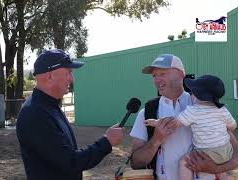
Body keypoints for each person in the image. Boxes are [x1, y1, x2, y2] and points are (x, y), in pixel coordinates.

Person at [16, 49, 124, 180]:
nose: (72, 79)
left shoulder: (49, 106)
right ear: (49, 76)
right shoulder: (35, 114)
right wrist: (107, 141)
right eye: (69, 72)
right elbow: (71, 162)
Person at [129, 54, 238, 180]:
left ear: (181, 74)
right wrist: (156, 140)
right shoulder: (147, 113)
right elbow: (135, 163)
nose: (157, 80)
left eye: (162, 73)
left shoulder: (207, 107)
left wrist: (216, 169)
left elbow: (236, 154)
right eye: (154, 75)